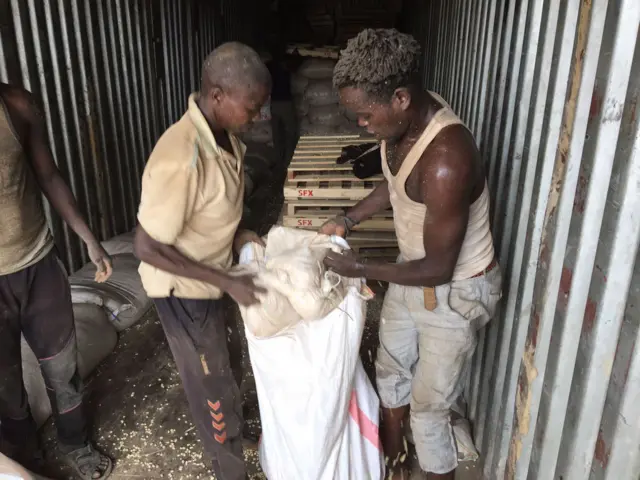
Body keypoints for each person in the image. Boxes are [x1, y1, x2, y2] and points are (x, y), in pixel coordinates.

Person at [319, 29, 503, 480]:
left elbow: (440, 269)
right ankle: (395, 460)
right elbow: (396, 181)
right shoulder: (402, 124)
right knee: (391, 370)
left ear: (400, 97)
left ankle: (435, 469)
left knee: (429, 409)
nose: (361, 126)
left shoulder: (447, 159)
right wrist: (349, 218)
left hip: (455, 288)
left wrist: (358, 268)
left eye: (365, 116)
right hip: (412, 270)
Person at [133, 42, 271, 480]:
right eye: (252, 108)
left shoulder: (226, 137)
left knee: (226, 355)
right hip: (184, 290)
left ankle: (231, 425)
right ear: (217, 96)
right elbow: (147, 246)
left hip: (213, 277)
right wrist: (226, 281)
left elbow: (211, 212)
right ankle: (229, 467)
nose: (258, 117)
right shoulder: (181, 155)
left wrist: (239, 235)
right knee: (209, 383)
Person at [0, 83, 113, 479]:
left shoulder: (15, 105)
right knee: (6, 383)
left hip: (37, 265)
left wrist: (89, 240)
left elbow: (47, 174)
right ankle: (25, 455)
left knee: (61, 366)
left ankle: (75, 442)